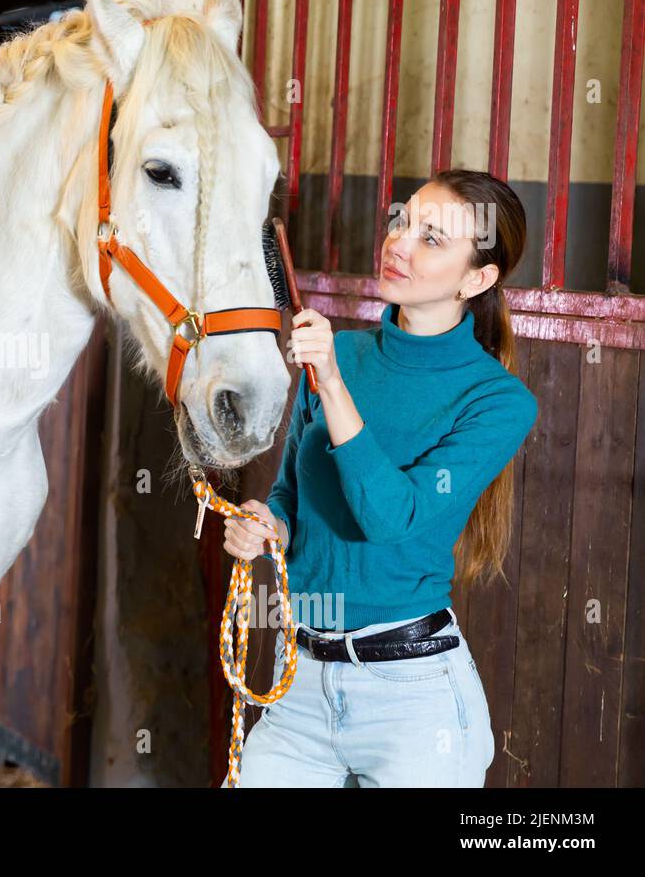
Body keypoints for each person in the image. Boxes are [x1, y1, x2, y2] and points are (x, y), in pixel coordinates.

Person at [222, 168, 539, 787]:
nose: (399, 242)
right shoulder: (345, 351)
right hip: (299, 680)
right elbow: (292, 493)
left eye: (432, 238)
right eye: (402, 221)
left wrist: (333, 385)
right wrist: (269, 525)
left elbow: (390, 519)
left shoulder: (498, 401)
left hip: (414, 701)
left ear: (477, 279)